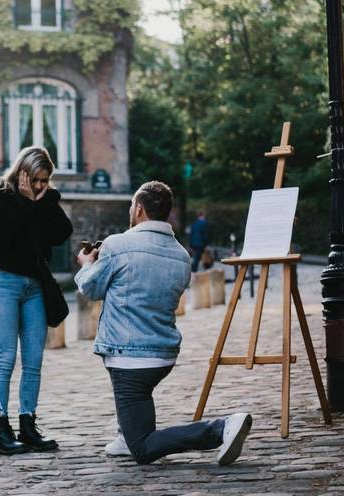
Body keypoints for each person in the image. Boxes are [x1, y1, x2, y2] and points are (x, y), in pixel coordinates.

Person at [75, 181, 252, 466]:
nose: (131, 209)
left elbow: (91, 289)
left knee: (143, 448)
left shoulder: (116, 245)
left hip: (129, 358)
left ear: (139, 209)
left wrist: (86, 264)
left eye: (132, 205)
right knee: (138, 400)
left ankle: (220, 428)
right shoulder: (181, 255)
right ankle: (126, 433)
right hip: (163, 355)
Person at [0, 146, 73, 455]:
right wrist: (25, 200)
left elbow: (62, 232)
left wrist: (42, 199)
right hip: (2, 282)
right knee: (6, 357)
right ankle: (0, 430)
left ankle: (28, 425)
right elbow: (7, 233)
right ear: (22, 173)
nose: (39, 186)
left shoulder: (42, 199)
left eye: (45, 181)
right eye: (35, 179)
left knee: (34, 360)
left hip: (34, 285)